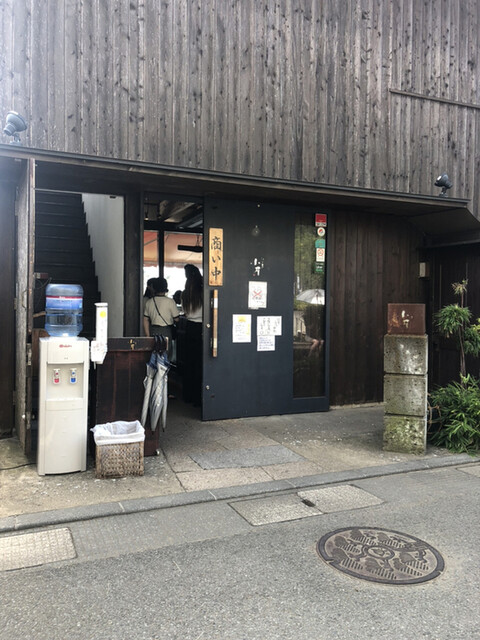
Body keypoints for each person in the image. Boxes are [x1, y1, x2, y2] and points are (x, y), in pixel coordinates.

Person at [181, 264, 203, 406]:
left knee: (189, 362)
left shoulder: (185, 294)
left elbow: (185, 312)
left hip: (189, 327)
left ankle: (188, 395)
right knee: (200, 363)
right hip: (202, 328)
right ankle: (198, 397)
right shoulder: (202, 292)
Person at [143, 277, 179, 359]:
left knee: (154, 355)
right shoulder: (170, 302)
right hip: (166, 331)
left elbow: (145, 320)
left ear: (154, 288)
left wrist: (147, 335)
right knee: (166, 354)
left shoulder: (149, 302)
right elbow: (176, 319)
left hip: (153, 330)